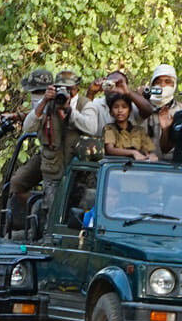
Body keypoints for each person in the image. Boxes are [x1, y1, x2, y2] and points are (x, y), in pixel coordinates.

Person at [8, 69, 100, 216]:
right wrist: (44, 101)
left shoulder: (85, 105)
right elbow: (29, 126)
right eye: (62, 88)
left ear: (77, 89)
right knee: (51, 211)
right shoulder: (48, 105)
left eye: (70, 89)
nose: (66, 92)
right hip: (53, 169)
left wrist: (70, 110)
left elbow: (91, 127)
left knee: (79, 211)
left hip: (79, 171)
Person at [102, 95, 157, 161]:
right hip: (117, 166)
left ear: (130, 111)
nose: (120, 110)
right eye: (116, 107)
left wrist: (151, 156)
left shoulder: (140, 130)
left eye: (124, 107)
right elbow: (110, 150)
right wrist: (133, 152)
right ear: (111, 112)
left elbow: (149, 151)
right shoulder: (109, 128)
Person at [143, 64, 181, 142]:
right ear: (152, 85)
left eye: (167, 81)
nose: (162, 85)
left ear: (174, 85)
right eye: (158, 82)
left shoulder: (181, 110)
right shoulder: (142, 107)